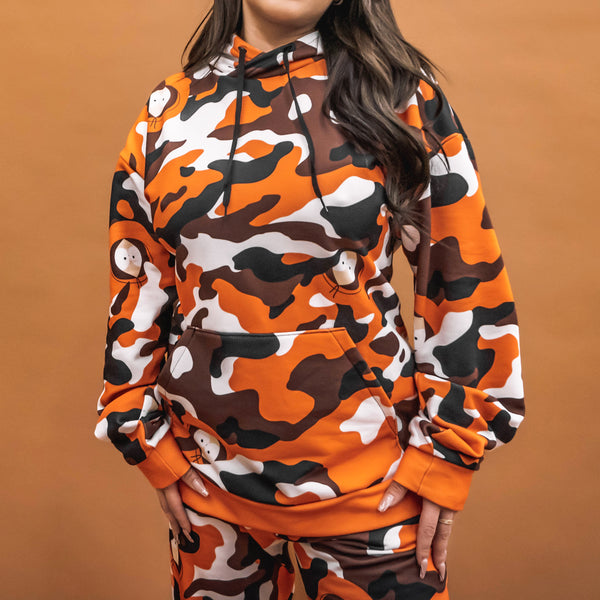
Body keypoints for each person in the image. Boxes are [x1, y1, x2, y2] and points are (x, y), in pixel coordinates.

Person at [94, 0, 525, 598]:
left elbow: (462, 275)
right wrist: (143, 437)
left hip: (373, 490)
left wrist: (448, 453)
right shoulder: (167, 113)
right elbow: (138, 284)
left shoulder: (400, 99)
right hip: (208, 488)